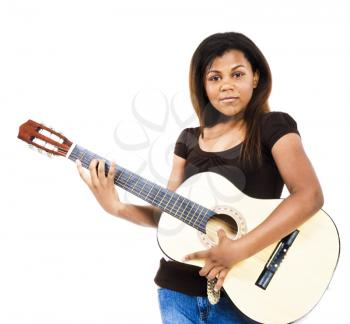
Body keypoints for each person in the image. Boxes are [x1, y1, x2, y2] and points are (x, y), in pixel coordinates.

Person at [76, 32, 324, 323]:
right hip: (177, 292)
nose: (227, 85)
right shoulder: (188, 140)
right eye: (215, 78)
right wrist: (116, 207)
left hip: (246, 293)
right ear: (203, 86)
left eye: (237, 74)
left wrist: (238, 250)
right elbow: (166, 215)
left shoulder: (273, 126)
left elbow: (309, 195)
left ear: (255, 78)